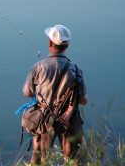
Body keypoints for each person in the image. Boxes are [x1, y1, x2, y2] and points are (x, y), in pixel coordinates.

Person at [22, 24, 88, 164]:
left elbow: (27, 92)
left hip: (44, 119)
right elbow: (83, 100)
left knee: (39, 160)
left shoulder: (38, 67)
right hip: (69, 119)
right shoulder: (76, 70)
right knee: (73, 160)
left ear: (50, 43)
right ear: (67, 45)